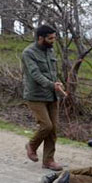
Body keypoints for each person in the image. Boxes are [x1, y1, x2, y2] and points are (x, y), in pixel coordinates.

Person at [22, 25, 67, 171]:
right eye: (50, 38)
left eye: (54, 37)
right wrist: (51, 85)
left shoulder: (50, 51)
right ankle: (32, 145)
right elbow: (35, 74)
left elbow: (52, 72)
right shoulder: (28, 53)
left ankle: (48, 160)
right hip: (35, 96)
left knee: (53, 129)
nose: (53, 41)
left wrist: (57, 83)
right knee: (46, 125)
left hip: (52, 95)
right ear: (40, 38)